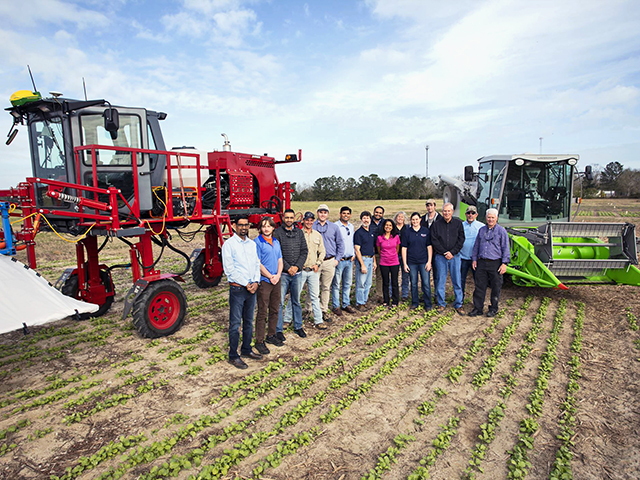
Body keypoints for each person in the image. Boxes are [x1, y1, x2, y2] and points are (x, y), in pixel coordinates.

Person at [221, 215, 262, 369]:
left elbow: (256, 264)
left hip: (252, 288)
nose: (244, 228)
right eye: (241, 225)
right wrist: (247, 283)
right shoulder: (229, 245)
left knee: (249, 322)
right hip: (238, 289)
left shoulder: (251, 245)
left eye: (247, 225)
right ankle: (233, 355)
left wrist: (256, 281)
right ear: (234, 225)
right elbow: (229, 270)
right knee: (235, 324)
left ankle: (246, 349)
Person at [285, 211, 327, 329]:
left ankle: (318, 320)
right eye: (307, 220)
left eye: (311, 220)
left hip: (313, 271)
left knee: (315, 296)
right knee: (295, 295)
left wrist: (318, 263)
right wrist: (297, 265)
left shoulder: (317, 235)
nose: (309, 222)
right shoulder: (298, 234)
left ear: (313, 221)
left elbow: (322, 251)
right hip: (301, 270)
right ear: (303, 221)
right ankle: (287, 319)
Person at [274, 209, 308, 340]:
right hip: (283, 273)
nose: (289, 220)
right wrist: (288, 268)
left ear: (294, 218)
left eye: (291, 217)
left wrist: (297, 266)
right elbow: (278, 254)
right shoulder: (277, 233)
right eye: (286, 217)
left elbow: (304, 251)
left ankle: (298, 326)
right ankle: (278, 330)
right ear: (283, 218)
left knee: (296, 301)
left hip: (297, 273)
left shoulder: (299, 232)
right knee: (280, 302)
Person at [469, 208, 510, 317]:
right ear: (486, 218)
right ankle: (478, 308)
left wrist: (504, 263)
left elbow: (506, 248)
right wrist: (474, 259)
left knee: (496, 287)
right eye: (488, 217)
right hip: (482, 262)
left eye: (492, 217)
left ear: (496, 218)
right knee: (479, 286)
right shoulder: (482, 230)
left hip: (495, 263)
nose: (490, 219)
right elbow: (476, 246)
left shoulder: (501, 231)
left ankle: (493, 308)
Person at [253, 217, 283, 355]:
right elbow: (258, 263)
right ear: (260, 228)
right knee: (262, 311)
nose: (266, 228)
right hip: (265, 281)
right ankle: (259, 340)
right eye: (264, 226)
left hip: (276, 280)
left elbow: (280, 260)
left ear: (273, 228)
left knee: (275, 309)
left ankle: (271, 335)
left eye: (269, 226)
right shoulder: (257, 242)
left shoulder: (276, 242)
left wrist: (277, 275)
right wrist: (270, 276)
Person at [430, 202, 465, 314]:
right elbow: (434, 240)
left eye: (448, 211)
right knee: (440, 280)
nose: (446, 213)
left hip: (455, 256)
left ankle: (458, 304)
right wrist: (445, 252)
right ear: (442, 211)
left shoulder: (458, 223)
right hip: (441, 256)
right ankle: (441, 303)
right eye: (444, 211)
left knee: (457, 280)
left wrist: (453, 252)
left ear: (452, 211)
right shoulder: (436, 224)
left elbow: (461, 239)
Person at [313, 204, 345, 320]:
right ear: (317, 213)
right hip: (315, 262)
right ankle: (310, 310)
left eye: (325, 212)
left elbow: (340, 244)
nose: (323, 214)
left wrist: (336, 259)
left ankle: (323, 310)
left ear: (328, 214)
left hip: (329, 261)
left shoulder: (334, 227)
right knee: (313, 288)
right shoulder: (312, 226)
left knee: (326, 287)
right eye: (321, 212)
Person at [401, 212, 433, 310]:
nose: (415, 221)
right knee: (413, 283)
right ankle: (415, 303)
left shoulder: (425, 231)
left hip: (424, 261)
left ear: (420, 220)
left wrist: (429, 262)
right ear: (411, 221)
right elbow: (404, 248)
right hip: (411, 262)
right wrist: (405, 263)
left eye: (416, 219)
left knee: (426, 284)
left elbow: (429, 247)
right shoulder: (407, 232)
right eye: (413, 219)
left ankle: (428, 304)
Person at [331, 206, 356, 316]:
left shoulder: (351, 226)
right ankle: (336, 306)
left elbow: (352, 241)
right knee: (336, 284)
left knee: (347, 283)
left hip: (349, 260)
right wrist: (336, 256)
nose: (346, 215)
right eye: (344, 213)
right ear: (340, 214)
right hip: (340, 260)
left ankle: (346, 304)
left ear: (350, 215)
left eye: (348, 213)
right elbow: (333, 242)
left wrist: (354, 254)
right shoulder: (335, 226)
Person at [460, 205, 484, 301]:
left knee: (478, 281)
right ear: (465, 214)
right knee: (461, 281)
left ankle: (477, 302)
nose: (470, 215)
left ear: (476, 215)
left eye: (473, 213)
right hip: (462, 258)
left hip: (476, 259)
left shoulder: (481, 226)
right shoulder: (461, 226)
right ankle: (460, 300)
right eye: (469, 213)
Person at [354, 210, 377, 310]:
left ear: (370, 219)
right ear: (361, 219)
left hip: (370, 259)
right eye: (364, 218)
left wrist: (374, 261)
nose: (366, 220)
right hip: (363, 259)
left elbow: (372, 248)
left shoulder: (371, 232)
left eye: (367, 218)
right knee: (361, 283)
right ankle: (359, 303)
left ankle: (364, 300)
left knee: (368, 283)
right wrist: (362, 264)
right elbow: (357, 250)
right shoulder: (359, 233)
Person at [376, 219, 401, 307]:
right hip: (384, 263)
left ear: (392, 227)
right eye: (386, 225)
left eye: (390, 225)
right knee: (385, 282)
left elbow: (397, 249)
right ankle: (386, 300)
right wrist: (385, 256)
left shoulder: (396, 237)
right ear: (383, 226)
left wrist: (392, 255)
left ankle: (395, 301)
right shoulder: (379, 237)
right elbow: (379, 250)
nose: (388, 227)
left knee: (394, 282)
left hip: (394, 262)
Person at [393, 211, 410, 301]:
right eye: (398, 217)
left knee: (405, 275)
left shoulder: (407, 228)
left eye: (402, 217)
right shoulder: (392, 228)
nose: (400, 218)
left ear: (404, 219)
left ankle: (405, 294)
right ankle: (392, 293)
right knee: (394, 275)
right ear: (395, 218)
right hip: (394, 255)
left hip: (404, 255)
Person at [371, 205, 385, 300]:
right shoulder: (368, 222)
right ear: (374, 212)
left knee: (381, 275)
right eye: (376, 212)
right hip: (370, 253)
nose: (378, 214)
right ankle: (363, 298)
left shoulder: (385, 223)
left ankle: (381, 295)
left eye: (380, 213)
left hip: (382, 253)